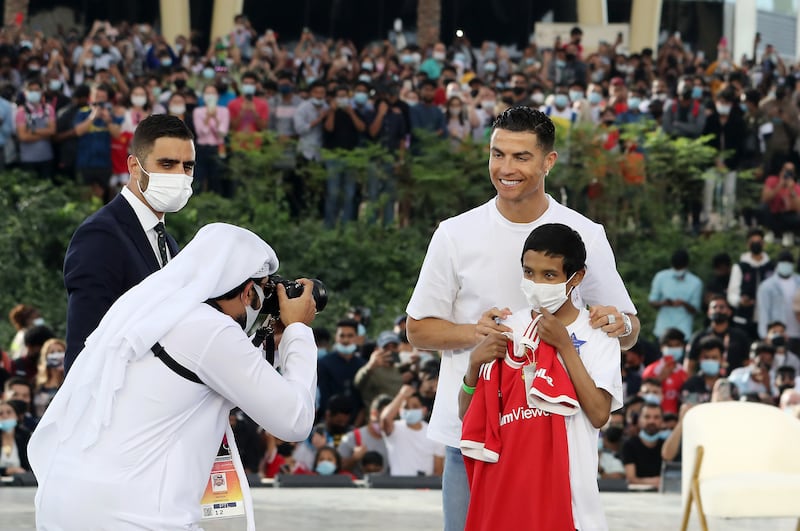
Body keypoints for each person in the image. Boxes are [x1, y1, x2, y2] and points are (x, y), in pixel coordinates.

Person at [406, 106, 639, 531]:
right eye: (498, 154)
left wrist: (620, 325)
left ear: (548, 161)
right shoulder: (454, 233)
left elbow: (626, 328)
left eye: (521, 157)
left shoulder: (584, 233)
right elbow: (418, 328)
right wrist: (477, 334)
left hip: (554, 438)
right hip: (473, 432)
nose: (506, 168)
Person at [29, 223, 319, 530]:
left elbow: (213, 380)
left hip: (66, 503)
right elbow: (294, 420)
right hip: (132, 516)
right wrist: (299, 330)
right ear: (249, 291)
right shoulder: (212, 330)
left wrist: (276, 338)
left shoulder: (153, 312)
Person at [457, 222, 623, 530]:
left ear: (577, 278)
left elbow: (600, 414)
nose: (536, 283)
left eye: (549, 275)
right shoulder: (507, 327)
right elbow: (469, 415)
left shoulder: (599, 334)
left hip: (573, 501)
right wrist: (473, 367)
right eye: (528, 272)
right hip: (511, 495)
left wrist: (564, 346)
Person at [63, 114, 195, 373]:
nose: (180, 175)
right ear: (134, 167)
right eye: (167, 164)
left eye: (187, 166)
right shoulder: (100, 235)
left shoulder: (167, 241)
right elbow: (85, 343)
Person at [380, 384, 444, 477]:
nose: (410, 410)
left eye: (415, 407)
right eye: (406, 407)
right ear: (400, 410)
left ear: (424, 410)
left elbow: (438, 471)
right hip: (397, 487)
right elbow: (385, 419)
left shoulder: (434, 434)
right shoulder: (395, 429)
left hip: (424, 488)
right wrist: (401, 395)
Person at [727, 228, 774, 339]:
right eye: (753, 242)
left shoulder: (771, 267)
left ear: (763, 244)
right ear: (748, 244)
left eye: (759, 242)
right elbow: (732, 294)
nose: (756, 245)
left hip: (766, 319)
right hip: (744, 319)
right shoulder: (740, 267)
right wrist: (740, 301)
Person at [686, 295, 750, 376]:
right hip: (704, 383)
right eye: (714, 307)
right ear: (708, 312)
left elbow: (747, 365)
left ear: (729, 312)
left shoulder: (740, 337)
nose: (718, 310)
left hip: (733, 383)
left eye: (722, 307)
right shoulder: (699, 337)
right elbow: (688, 367)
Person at [648, 249, 703, 341]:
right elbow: (652, 301)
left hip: (683, 330)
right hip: (662, 330)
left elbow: (695, 309)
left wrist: (684, 304)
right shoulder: (661, 277)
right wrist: (664, 303)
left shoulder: (696, 282)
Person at [756, 250, 800, 342]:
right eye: (783, 262)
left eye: (789, 262)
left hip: (797, 332)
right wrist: (764, 334)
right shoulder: (767, 286)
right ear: (777, 264)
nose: (786, 265)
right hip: (778, 335)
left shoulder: (798, 281)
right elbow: (763, 311)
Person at [642, 327, 688, 415]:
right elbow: (643, 394)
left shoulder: (683, 373)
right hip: (654, 419)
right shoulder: (651, 370)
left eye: (677, 345)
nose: (674, 349)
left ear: (683, 347)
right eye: (670, 346)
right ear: (662, 347)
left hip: (673, 419)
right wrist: (660, 378)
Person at [621, 402, 665, 488]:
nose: (652, 421)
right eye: (647, 417)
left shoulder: (666, 445)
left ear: (662, 421)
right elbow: (631, 479)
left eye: (656, 417)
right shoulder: (629, 445)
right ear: (639, 420)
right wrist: (657, 482)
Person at [0, 399, 31, 477]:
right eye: (1, 413)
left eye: (9, 412)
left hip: (22, 484)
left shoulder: (25, 437)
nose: (5, 416)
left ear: (17, 416)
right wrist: (7, 471)